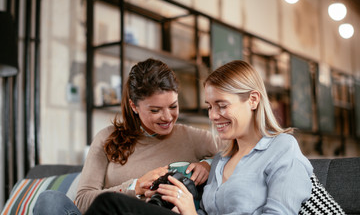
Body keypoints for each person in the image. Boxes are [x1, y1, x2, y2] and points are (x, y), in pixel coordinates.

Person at [84, 60, 313, 215]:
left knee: (109, 205)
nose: (213, 116)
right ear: (134, 106)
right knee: (60, 201)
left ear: (253, 100)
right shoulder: (223, 157)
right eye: (209, 107)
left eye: (221, 105)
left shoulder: (282, 149)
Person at [33, 58, 221, 215]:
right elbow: (82, 200)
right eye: (155, 110)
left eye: (173, 106)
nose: (167, 117)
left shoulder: (192, 137)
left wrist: (209, 164)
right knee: (49, 200)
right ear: (134, 106)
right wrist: (134, 187)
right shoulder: (107, 138)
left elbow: (239, 153)